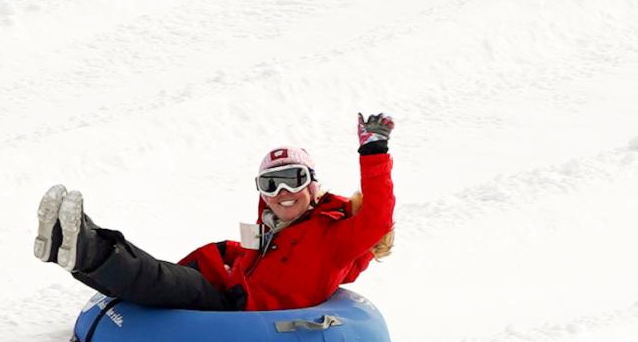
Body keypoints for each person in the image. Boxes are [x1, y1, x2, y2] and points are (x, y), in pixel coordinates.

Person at [32, 113, 396, 311]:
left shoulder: (335, 238)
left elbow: (377, 218)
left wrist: (374, 152)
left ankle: (85, 244)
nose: (282, 193)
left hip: (237, 313)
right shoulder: (269, 225)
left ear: (313, 185)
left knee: (155, 279)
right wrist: (222, 254)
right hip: (226, 285)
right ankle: (68, 243)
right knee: (149, 276)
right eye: (270, 184)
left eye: (293, 180)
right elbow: (255, 260)